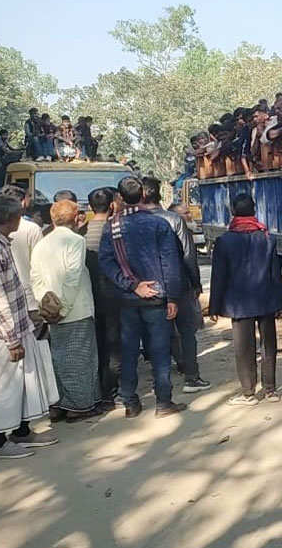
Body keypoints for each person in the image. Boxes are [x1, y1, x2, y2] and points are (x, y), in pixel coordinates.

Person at [0, 196, 60, 459]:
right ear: (11, 219)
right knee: (3, 385)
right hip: (1, 331)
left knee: (24, 381)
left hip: (15, 325)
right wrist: (11, 339)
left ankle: (21, 431)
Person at [99, 176, 188, 418]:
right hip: (157, 297)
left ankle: (129, 402)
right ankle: (163, 402)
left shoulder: (112, 227)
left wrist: (130, 284)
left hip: (128, 298)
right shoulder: (158, 225)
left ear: (119, 198)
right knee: (160, 351)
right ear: (143, 196)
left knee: (129, 350)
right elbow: (170, 264)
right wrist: (172, 297)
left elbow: (106, 263)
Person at [209, 193, 282, 406]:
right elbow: (275, 274)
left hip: (239, 304)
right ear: (254, 211)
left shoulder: (224, 241)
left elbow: (219, 276)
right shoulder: (268, 238)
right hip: (266, 300)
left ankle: (248, 393)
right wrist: (280, 302)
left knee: (244, 349)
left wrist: (214, 307)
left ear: (233, 211)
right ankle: (270, 390)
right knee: (269, 346)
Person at [31, 200, 101, 422]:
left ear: (52, 219)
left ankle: (59, 403)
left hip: (51, 310)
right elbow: (72, 277)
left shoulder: (42, 243)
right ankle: (79, 406)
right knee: (80, 360)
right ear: (76, 218)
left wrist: (47, 304)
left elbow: (36, 278)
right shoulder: (76, 241)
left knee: (59, 360)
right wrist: (63, 307)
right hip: (75, 310)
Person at [140, 177, 210, 394]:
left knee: (157, 333)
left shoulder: (135, 222)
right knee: (187, 331)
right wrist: (195, 282)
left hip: (149, 287)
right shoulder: (174, 219)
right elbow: (189, 254)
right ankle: (191, 376)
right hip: (179, 283)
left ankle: (159, 380)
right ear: (159, 193)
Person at [84, 188, 121, 410]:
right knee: (115, 347)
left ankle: (98, 390)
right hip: (114, 296)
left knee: (97, 346)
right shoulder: (116, 231)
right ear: (112, 206)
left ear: (90, 207)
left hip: (89, 298)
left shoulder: (81, 233)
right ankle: (111, 393)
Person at [0, 185, 44, 325]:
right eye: (29, 196)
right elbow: (40, 264)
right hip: (31, 300)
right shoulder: (32, 228)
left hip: (3, 300)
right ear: (22, 202)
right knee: (38, 344)